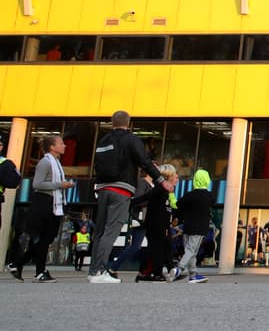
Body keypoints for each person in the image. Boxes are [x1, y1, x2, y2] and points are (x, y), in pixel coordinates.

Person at [88, 110, 163, 284]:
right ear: (128, 122)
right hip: (121, 188)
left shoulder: (103, 141)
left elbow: (97, 164)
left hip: (102, 188)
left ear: (112, 122)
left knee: (99, 231)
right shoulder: (131, 140)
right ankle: (100, 271)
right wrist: (160, 179)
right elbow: (144, 161)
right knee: (111, 230)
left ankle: (93, 270)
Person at [13, 134, 76, 282]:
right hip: (44, 202)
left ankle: (18, 264)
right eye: (61, 143)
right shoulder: (46, 163)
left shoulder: (56, 162)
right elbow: (37, 184)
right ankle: (37, 271)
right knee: (45, 238)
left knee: (47, 238)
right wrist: (61, 185)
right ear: (52, 147)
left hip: (54, 202)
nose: (64, 146)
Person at [137, 164, 178, 282]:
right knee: (159, 248)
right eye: (174, 174)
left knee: (160, 248)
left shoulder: (165, 189)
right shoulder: (161, 188)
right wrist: (131, 201)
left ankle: (154, 272)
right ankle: (157, 272)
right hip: (157, 223)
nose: (176, 177)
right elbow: (147, 197)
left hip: (160, 223)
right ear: (168, 175)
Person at [174, 169, 213, 284]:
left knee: (190, 251)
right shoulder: (209, 196)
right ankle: (179, 269)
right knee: (192, 250)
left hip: (188, 226)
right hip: (200, 227)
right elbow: (212, 204)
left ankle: (193, 275)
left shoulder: (189, 195)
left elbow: (178, 205)